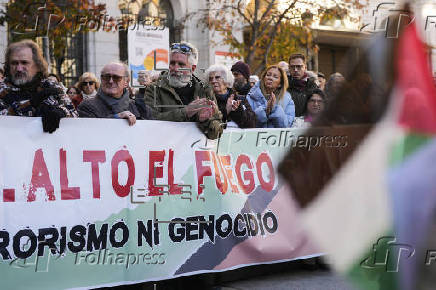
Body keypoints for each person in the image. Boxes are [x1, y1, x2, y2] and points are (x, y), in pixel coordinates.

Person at [140, 42, 223, 139]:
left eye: (181, 64)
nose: (175, 68)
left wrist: (204, 121)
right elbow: (149, 121)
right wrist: (186, 112)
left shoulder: (205, 90)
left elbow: (217, 133)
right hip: (165, 150)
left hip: (195, 151)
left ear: (192, 68)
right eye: (172, 63)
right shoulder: (154, 89)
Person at [0, 39, 77, 133]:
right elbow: (4, 119)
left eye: (24, 63)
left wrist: (61, 112)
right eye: (14, 63)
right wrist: (30, 104)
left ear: (37, 65)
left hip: (48, 146)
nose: (19, 68)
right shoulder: (2, 90)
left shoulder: (51, 86)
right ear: (8, 65)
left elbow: (75, 115)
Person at [78, 62, 152, 125]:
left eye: (116, 77)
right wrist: (116, 117)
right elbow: (90, 131)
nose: (110, 81)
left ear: (126, 82)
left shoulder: (140, 108)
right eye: (106, 77)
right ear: (101, 79)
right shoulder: (87, 106)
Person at [205, 64, 255, 128]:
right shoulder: (208, 101)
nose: (213, 81)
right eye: (210, 79)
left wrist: (238, 110)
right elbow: (209, 126)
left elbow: (251, 124)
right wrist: (226, 111)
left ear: (227, 80)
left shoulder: (240, 99)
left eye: (217, 77)